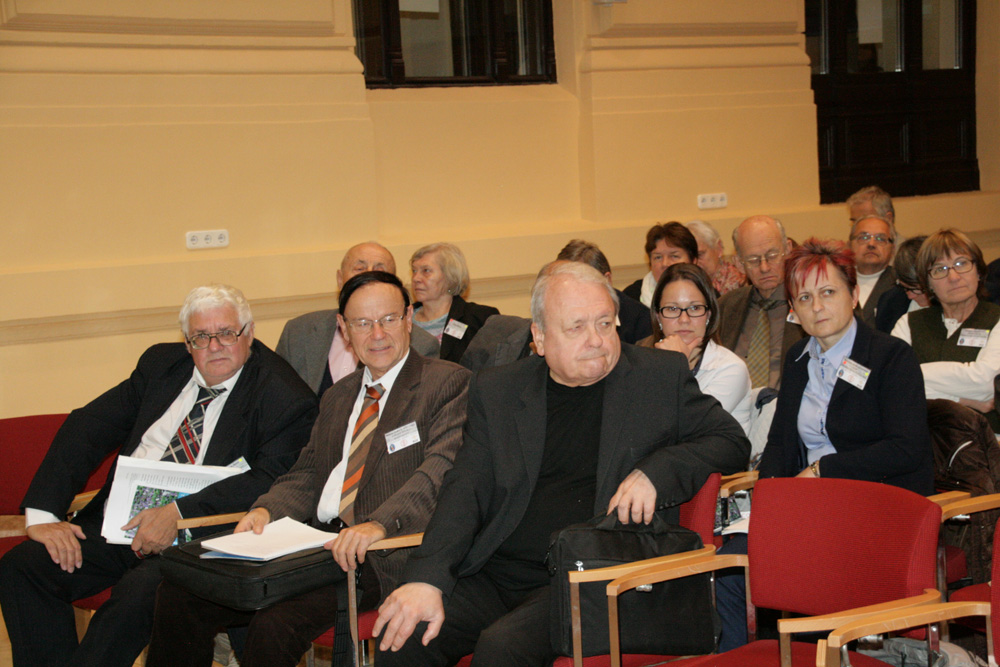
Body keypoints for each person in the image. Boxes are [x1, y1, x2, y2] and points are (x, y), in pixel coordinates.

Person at [371, 262, 750, 667]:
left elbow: (731, 441)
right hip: (498, 571)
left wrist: (656, 473)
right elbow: (465, 490)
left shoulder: (656, 377)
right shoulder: (499, 390)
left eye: (605, 323)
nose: (596, 340)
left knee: (501, 649)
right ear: (539, 337)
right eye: (577, 328)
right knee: (403, 633)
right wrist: (426, 579)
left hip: (593, 576)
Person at [146, 271, 471, 667]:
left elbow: (437, 473)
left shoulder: (446, 383)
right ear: (344, 330)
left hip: (381, 553)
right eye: (362, 323)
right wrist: (266, 510)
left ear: (408, 319)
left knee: (274, 623)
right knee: (180, 593)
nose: (377, 334)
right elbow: (306, 472)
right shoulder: (339, 396)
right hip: (314, 545)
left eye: (388, 319)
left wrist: (378, 524)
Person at [0, 284, 318, 667]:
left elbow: (267, 479)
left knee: (137, 597)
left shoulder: (284, 395)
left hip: (196, 539)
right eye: (201, 337)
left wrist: (177, 514)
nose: (215, 346)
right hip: (121, 524)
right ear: (187, 343)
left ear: (249, 333)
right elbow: (88, 426)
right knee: (24, 568)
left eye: (226, 333)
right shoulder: (161, 365)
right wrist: (44, 515)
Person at [716, 238, 934, 652]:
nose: (817, 306)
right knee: (732, 562)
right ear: (793, 311)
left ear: (854, 295)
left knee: (807, 566)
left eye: (828, 292)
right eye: (804, 298)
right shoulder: (799, 358)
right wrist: (768, 502)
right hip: (812, 502)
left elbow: (906, 448)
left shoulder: (891, 357)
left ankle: (821, 653)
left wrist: (822, 471)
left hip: (876, 501)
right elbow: (781, 443)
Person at [276, 242, 440, 397]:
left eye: (379, 271)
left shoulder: (422, 345)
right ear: (340, 279)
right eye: (359, 268)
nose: (368, 276)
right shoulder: (298, 332)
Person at [892, 229, 1000, 431]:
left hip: (987, 441)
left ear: (978, 271)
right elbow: (891, 386)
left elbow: (985, 383)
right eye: (939, 269)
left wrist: (912, 373)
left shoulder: (997, 319)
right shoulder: (907, 323)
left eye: (961, 264)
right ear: (928, 283)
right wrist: (962, 400)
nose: (953, 276)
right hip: (922, 440)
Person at [640, 263, 752, 434]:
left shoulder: (730, 368)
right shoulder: (641, 363)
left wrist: (675, 366)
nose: (684, 319)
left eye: (694, 308)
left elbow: (686, 428)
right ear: (658, 316)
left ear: (708, 315)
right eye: (672, 309)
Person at [717, 215, 805, 390]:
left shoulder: (807, 303)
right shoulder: (726, 306)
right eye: (753, 260)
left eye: (772, 255)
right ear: (739, 263)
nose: (764, 267)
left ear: (788, 250)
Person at [411, 242, 500, 364]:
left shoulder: (480, 318)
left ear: (450, 276)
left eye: (426, 271)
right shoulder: (401, 318)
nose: (416, 278)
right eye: (414, 270)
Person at [556, 239, 652, 344]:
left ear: (607, 280)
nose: (572, 292)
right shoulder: (554, 313)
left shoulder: (641, 320)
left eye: (581, 283)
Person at [622, 222, 699, 306]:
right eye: (658, 257)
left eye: (674, 256)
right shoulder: (630, 298)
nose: (665, 264)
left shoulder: (706, 295)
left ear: (693, 262)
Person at [849, 214, 897, 328]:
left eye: (880, 239)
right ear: (850, 244)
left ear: (893, 248)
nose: (871, 244)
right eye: (863, 237)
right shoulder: (838, 280)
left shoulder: (901, 285)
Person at [875, 235, 929, 333]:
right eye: (905, 288)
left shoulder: (952, 306)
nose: (910, 296)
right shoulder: (890, 301)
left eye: (917, 289)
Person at [686, 219, 746, 296]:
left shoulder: (738, 283)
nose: (695, 262)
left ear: (719, 248)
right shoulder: (687, 283)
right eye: (690, 256)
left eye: (700, 255)